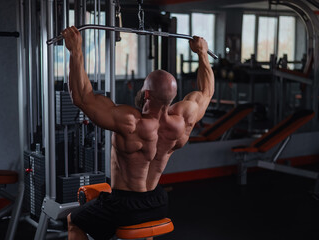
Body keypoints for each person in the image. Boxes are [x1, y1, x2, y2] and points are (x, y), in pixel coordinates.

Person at [61, 26, 214, 240]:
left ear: (147, 93)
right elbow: (206, 92)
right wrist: (202, 54)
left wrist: (75, 50)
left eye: (143, 86)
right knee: (142, 224)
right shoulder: (183, 120)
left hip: (124, 205)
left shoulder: (130, 122)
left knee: (74, 220)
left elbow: (82, 98)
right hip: (157, 202)